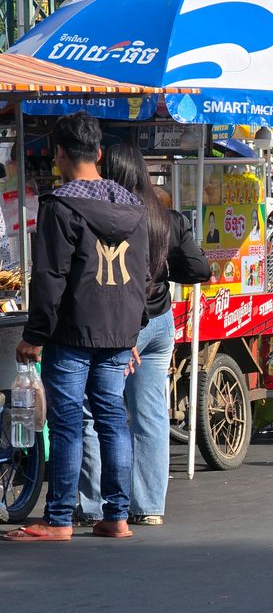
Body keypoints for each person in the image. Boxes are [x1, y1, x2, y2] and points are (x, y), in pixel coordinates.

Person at [4, 112, 149, 542]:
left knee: (67, 423)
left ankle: (60, 518)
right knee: (112, 420)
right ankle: (117, 516)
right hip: (119, 330)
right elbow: (144, 274)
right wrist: (134, 328)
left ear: (59, 154)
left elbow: (50, 278)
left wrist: (34, 336)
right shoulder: (133, 206)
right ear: (100, 153)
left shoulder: (60, 206)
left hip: (72, 333)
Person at [77, 144, 211, 527]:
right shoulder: (166, 219)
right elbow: (200, 269)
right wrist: (164, 270)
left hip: (120, 324)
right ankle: (149, 505)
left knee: (95, 411)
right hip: (160, 322)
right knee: (151, 414)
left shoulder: (112, 217)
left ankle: (92, 504)